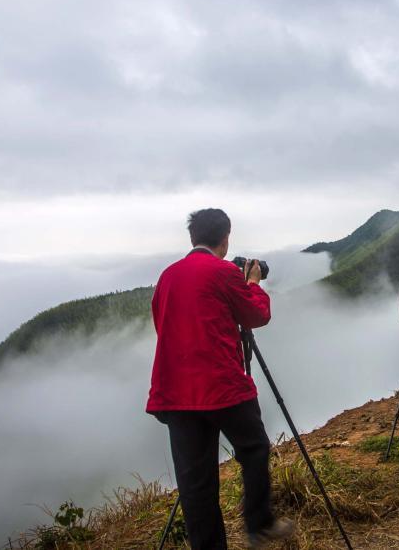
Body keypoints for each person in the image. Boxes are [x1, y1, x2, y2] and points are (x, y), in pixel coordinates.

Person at [146, 208, 294, 549]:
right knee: (254, 449)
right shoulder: (224, 271)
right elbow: (256, 315)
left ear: (193, 237)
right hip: (221, 384)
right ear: (225, 238)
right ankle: (259, 523)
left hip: (175, 390)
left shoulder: (167, 276)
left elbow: (161, 323)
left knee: (196, 484)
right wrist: (253, 283)